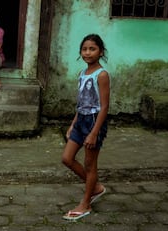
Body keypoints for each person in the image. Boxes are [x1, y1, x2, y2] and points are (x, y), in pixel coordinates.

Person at [61, 34, 110, 221]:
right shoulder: (82, 73)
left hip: (94, 122)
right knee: (67, 158)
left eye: (92, 49)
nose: (87, 53)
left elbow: (104, 107)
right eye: (84, 49)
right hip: (81, 120)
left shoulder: (102, 75)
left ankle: (86, 203)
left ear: (100, 52)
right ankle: (96, 187)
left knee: (90, 165)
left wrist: (94, 133)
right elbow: (81, 102)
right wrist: (73, 124)